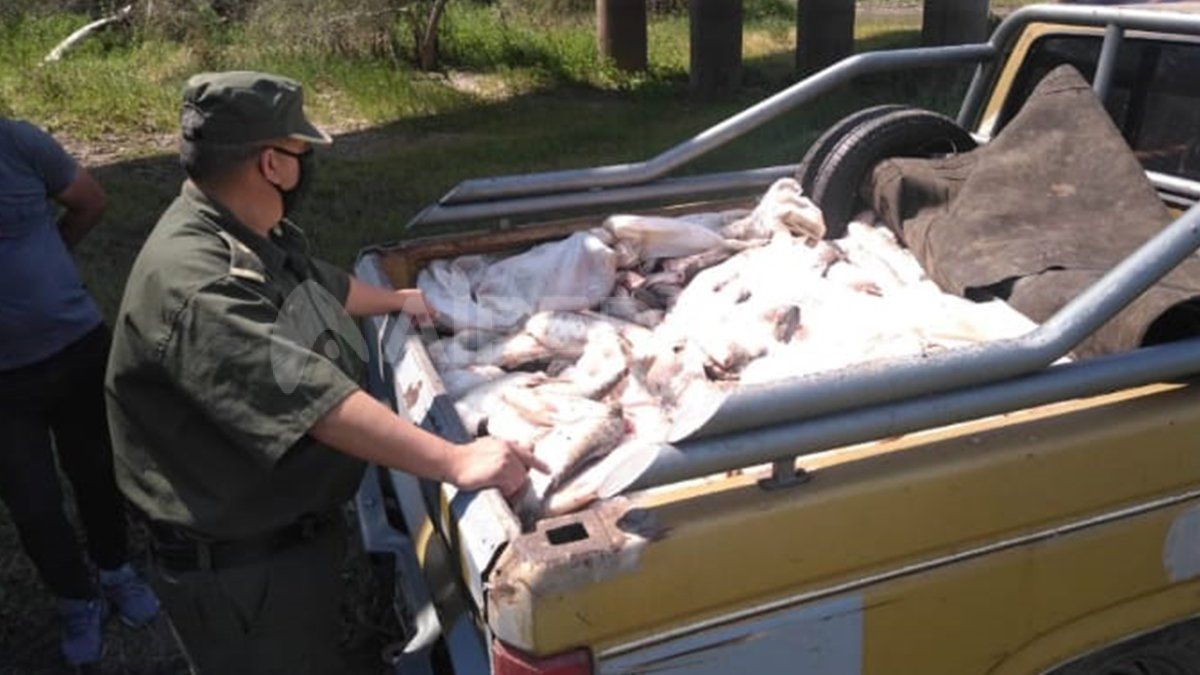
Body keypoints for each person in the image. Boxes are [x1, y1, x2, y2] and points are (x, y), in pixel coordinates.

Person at [105, 71, 546, 674]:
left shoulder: (231, 223)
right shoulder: (199, 287)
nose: (305, 164)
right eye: (301, 151)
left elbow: (309, 279)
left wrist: (399, 301)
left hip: (281, 537)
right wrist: (456, 461)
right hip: (241, 571)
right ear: (272, 163)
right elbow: (319, 404)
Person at [0, 119, 160, 668]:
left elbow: (90, 202)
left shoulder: (17, 143)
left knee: (96, 471)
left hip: (73, 347)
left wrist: (53, 260)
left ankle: (116, 569)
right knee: (33, 503)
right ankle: (75, 598)